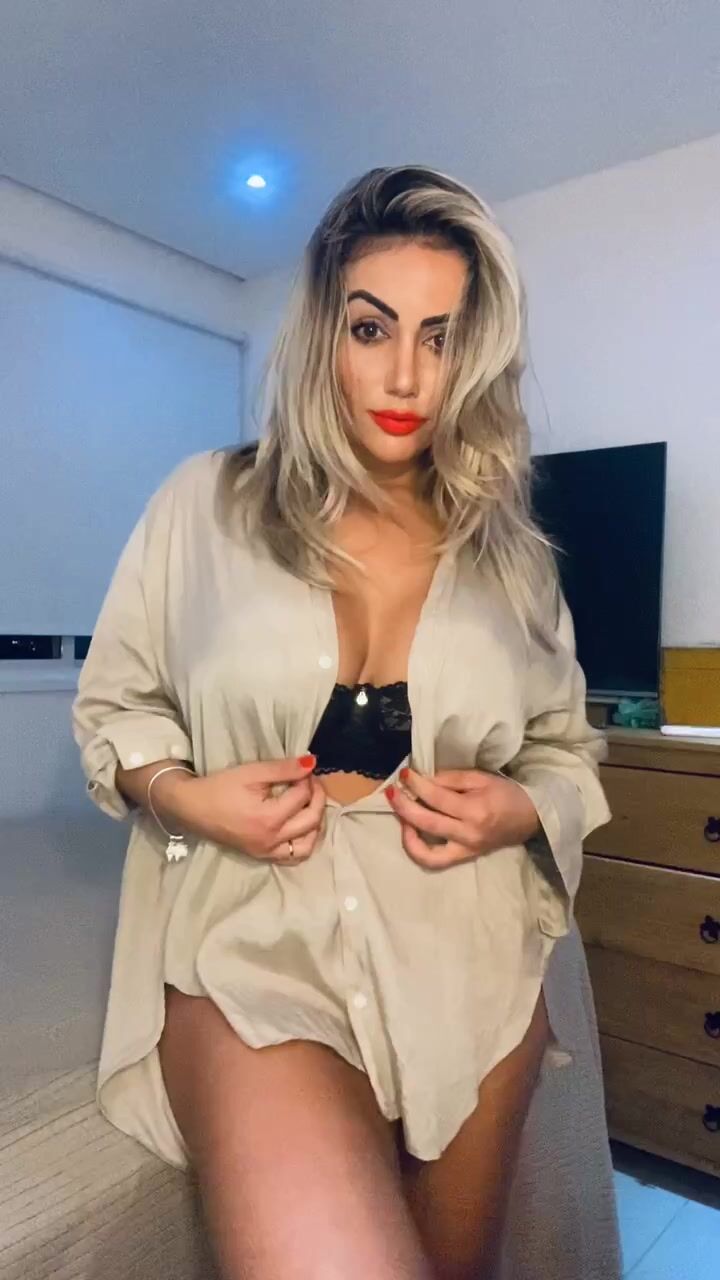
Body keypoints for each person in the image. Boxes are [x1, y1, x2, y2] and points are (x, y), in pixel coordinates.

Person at [73, 165, 621, 1280]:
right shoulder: (205, 505)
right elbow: (116, 704)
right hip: (253, 942)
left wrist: (520, 808)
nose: (406, 375)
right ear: (325, 330)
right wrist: (185, 796)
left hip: (471, 956)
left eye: (441, 336)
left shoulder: (512, 560)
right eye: (373, 328)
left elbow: (569, 749)